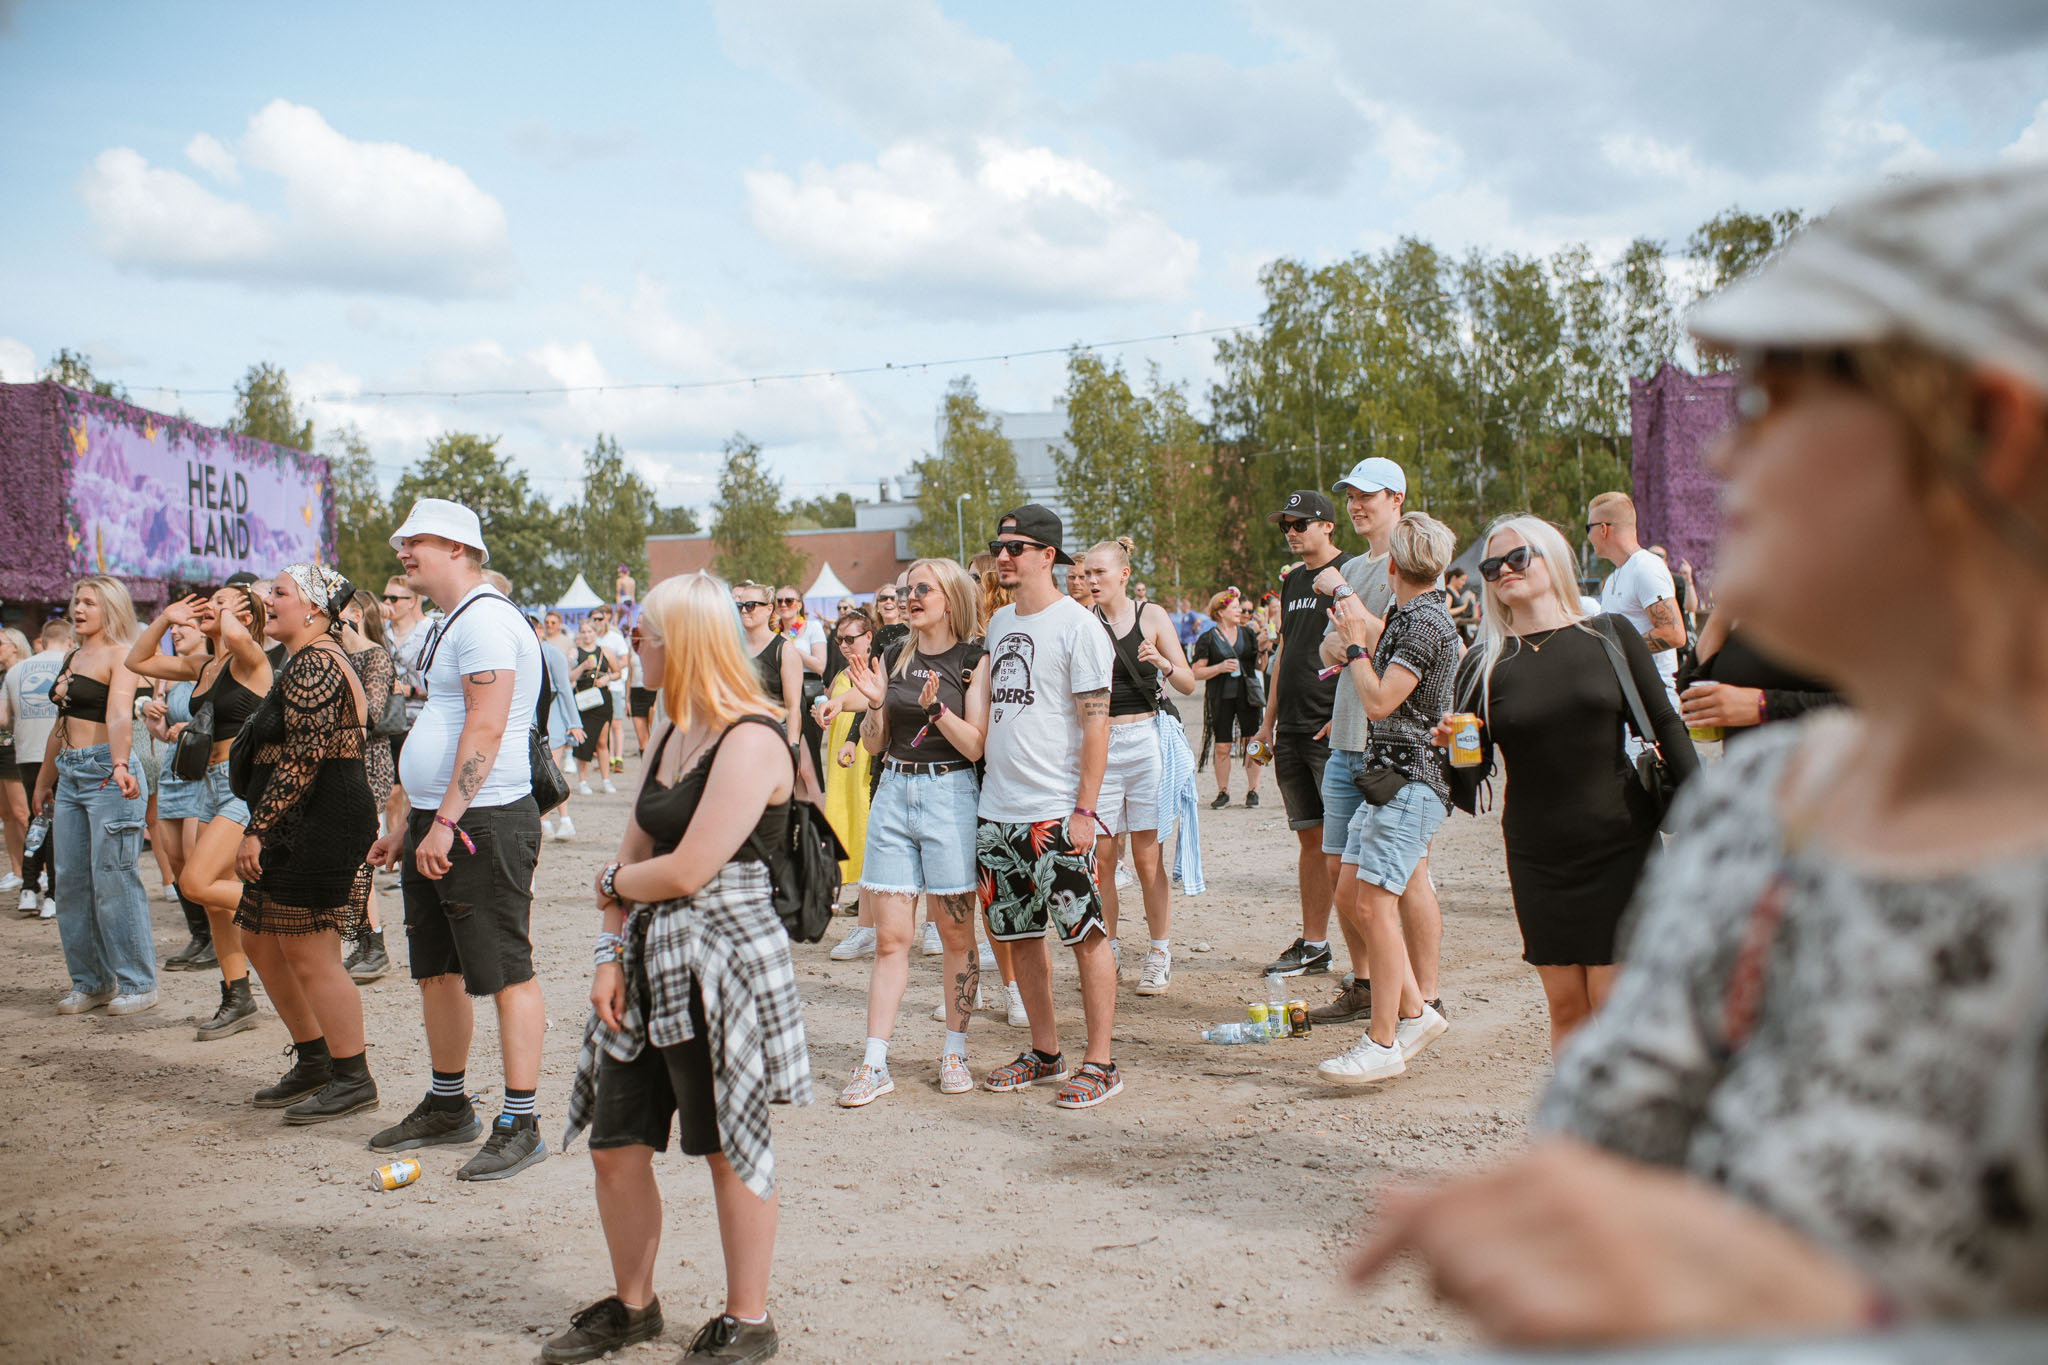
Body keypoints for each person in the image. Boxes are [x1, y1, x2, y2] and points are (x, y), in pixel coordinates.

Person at [1355, 163, 2048, 1343]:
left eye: (1773, 406)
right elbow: (1622, 1140)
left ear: (1986, 431)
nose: (1724, 462)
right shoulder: (1766, 804)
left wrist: (1801, 1302)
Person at [553, 572, 808, 1365]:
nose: (631, 647)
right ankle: (634, 1306)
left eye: (644, 636)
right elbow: (635, 849)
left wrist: (610, 883)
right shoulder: (671, 726)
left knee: (728, 1143)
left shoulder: (754, 736)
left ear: (684, 641)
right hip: (647, 952)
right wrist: (607, 950)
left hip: (720, 958)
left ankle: (748, 1318)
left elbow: (687, 867)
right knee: (615, 1140)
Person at [1433, 516, 1699, 1052]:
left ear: (1551, 559)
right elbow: (1469, 778)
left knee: (1616, 1003)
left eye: (1517, 558)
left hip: (1621, 843)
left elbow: (1665, 723)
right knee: (1568, 1008)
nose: (1504, 571)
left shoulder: (1609, 634)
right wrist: (1453, 746)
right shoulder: (1485, 661)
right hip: (1538, 855)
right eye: (1491, 566)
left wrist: (1708, 814)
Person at [367, 498, 549, 1181]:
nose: (403, 552)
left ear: (456, 547)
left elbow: (486, 726)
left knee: (506, 971)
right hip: (440, 819)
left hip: (482, 819)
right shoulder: (456, 620)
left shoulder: (486, 622)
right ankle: (449, 1103)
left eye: (415, 541)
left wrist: (443, 821)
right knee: (436, 968)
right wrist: (409, 823)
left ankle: (522, 1121)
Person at [977, 505, 1122, 1108]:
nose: (1003, 556)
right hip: (998, 810)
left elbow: (1096, 726)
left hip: (1055, 812)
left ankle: (1101, 1062)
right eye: (999, 546)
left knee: (1085, 934)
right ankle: (1044, 1052)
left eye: (1016, 547)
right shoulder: (998, 623)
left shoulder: (1078, 626)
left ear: (1047, 556)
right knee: (1020, 936)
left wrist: (1085, 812)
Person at [832, 560, 991, 1107]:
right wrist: (876, 702)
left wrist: (937, 709)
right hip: (894, 794)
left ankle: (954, 1051)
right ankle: (874, 1063)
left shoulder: (973, 660)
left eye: (924, 588)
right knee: (891, 940)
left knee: (955, 937)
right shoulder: (895, 653)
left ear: (950, 598)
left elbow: (975, 745)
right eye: (907, 589)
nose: (911, 596)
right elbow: (876, 743)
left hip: (951, 795)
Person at [1313, 513, 1461, 1084]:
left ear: (1393, 565)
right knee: (1352, 892)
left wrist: (1354, 647)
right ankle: (1416, 1014)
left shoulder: (1424, 623)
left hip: (1410, 781)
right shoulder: (1407, 613)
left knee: (1375, 905)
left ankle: (1383, 1041)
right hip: (1387, 777)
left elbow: (1378, 701)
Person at [232, 564, 381, 1123]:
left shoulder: (318, 662)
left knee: (310, 952)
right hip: (299, 816)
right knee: (258, 939)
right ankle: (315, 1059)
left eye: (279, 593)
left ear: (314, 607)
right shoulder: (303, 659)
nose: (268, 601)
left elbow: (303, 757)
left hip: (322, 819)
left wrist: (257, 829)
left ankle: (353, 1077)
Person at [130, 586, 275, 1040]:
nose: (211, 605)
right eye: (210, 600)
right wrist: (164, 618)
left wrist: (231, 612)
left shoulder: (252, 660)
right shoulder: (203, 666)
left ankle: (290, 904)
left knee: (195, 883)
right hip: (208, 787)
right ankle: (238, 995)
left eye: (223, 600)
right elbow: (137, 661)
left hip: (242, 785)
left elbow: (240, 638)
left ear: (245, 616)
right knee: (213, 899)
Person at [32, 576, 154, 1015]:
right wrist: (44, 780)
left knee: (113, 882)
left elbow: (120, 713)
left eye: (89, 602)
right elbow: (61, 724)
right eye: (76, 601)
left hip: (107, 772)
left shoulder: (123, 655)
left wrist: (120, 763)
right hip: (70, 773)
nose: (78, 609)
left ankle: (138, 984)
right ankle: (92, 983)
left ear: (111, 608)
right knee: (69, 884)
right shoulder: (73, 656)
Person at [1078, 538, 1195, 996]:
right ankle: (1108, 950)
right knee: (1103, 858)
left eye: (1099, 573)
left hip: (1146, 741)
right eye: (1087, 574)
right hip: (1102, 744)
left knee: (1147, 859)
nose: (1091, 581)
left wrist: (1162, 662)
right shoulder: (1082, 621)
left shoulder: (1152, 615)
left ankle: (1159, 951)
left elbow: (1187, 682)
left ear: (1124, 574)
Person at [1253, 491, 1351, 980]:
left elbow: (1366, 646)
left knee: (1346, 847)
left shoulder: (1351, 572)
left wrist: (1347, 714)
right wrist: (1267, 723)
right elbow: (1285, 653)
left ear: (1327, 525)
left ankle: (1372, 964)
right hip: (1290, 726)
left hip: (1330, 726)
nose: (1291, 532)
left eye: (1300, 524)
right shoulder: (1293, 580)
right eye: (1285, 525)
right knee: (1310, 840)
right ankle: (1315, 945)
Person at [138, 616, 212, 968]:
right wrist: (152, 718)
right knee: (175, 858)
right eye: (173, 628)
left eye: (184, 626)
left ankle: (218, 936)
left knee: (195, 858)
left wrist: (192, 726)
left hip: (202, 769)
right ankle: (199, 935)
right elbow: (160, 729)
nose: (176, 632)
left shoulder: (212, 668)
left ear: (204, 631)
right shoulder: (169, 674)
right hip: (173, 766)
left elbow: (230, 716)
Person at [1680, 602, 1843, 744]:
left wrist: (1765, 705)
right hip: (1752, 766)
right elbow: (1691, 702)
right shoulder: (1754, 613)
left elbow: (1854, 703)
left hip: (1820, 764)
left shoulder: (1835, 605)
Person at [338, 589, 395, 983]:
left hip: (368, 764)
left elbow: (371, 713)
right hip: (342, 763)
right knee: (349, 858)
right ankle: (363, 940)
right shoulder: (333, 654)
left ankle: (375, 944)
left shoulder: (374, 656)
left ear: (354, 615)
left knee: (361, 857)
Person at [1587, 493, 1688, 714]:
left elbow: (1674, 634)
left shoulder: (1646, 567)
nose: (1588, 536)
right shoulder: (1614, 578)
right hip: (1629, 699)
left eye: (1588, 528)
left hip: (1654, 702)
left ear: (1603, 529)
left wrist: (1612, 649)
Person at [7, 619, 68, 915]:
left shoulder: (15, 670)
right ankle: (53, 895)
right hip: (59, 752)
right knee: (57, 822)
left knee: (37, 818)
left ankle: (28, 889)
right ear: (69, 640)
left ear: (42, 640)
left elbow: (3, 718)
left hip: (27, 753)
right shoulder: (70, 663)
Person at [814, 611, 875, 892]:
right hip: (840, 751)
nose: (844, 645)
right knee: (841, 809)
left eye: (850, 639)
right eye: (840, 640)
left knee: (862, 810)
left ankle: (866, 878)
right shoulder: (842, 670)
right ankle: (845, 873)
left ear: (868, 637)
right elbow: (831, 698)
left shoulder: (873, 669)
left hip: (863, 750)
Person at [1189, 588, 1265, 809]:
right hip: (1221, 697)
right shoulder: (1207, 638)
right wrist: (1219, 667)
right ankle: (1223, 791)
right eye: (1234, 608)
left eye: (1239, 607)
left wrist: (1263, 651)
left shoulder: (1248, 633)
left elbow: (1259, 667)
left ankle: (1254, 790)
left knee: (1253, 742)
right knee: (1222, 745)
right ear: (1220, 612)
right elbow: (1196, 672)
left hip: (1248, 695)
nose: (1240, 611)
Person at [735, 582, 805, 748]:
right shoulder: (732, 648)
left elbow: (793, 707)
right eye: (739, 606)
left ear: (768, 609)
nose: (744, 611)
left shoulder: (784, 650)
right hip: (737, 736)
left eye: (750, 606)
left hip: (773, 738)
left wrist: (793, 748)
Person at [533, 614, 584, 840]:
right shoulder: (520, 652)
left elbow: (564, 689)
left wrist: (574, 723)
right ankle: (544, 822)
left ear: (540, 630)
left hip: (553, 718)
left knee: (551, 771)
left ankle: (565, 820)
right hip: (530, 721)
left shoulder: (552, 653)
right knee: (535, 774)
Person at [0, 628, 34, 899]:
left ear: (15, 646)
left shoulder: (25, 672)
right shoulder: (2, 675)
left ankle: (39, 869)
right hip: (2, 747)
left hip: (17, 747)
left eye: (0, 643)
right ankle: (17, 869)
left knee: (23, 813)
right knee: (7, 813)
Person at [571, 619, 619, 795]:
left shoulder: (605, 651)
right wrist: (583, 666)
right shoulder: (575, 652)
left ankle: (606, 779)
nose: (587, 635)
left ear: (595, 633)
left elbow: (617, 672)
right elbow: (570, 676)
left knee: (602, 741)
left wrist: (608, 678)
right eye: (583, 632)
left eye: (589, 631)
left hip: (602, 700)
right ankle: (582, 781)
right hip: (583, 701)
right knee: (583, 742)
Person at [1444, 567, 1479, 643]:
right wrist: (1463, 607)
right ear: (1454, 578)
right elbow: (1447, 611)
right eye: (1462, 580)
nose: (1464, 583)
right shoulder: (1448, 592)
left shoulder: (1457, 592)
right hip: (1456, 628)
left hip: (1463, 629)